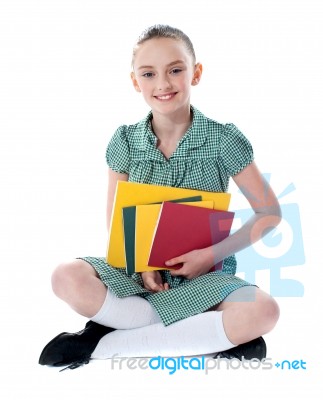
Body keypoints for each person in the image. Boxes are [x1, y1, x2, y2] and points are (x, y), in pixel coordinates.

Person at [39, 24, 281, 370]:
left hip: (205, 278)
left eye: (175, 70)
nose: (163, 84)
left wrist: (209, 255)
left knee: (264, 309)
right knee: (65, 276)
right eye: (149, 74)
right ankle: (207, 336)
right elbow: (115, 218)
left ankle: (102, 343)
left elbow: (269, 213)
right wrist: (141, 264)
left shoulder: (223, 140)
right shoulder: (125, 140)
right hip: (139, 275)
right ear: (136, 81)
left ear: (195, 73)